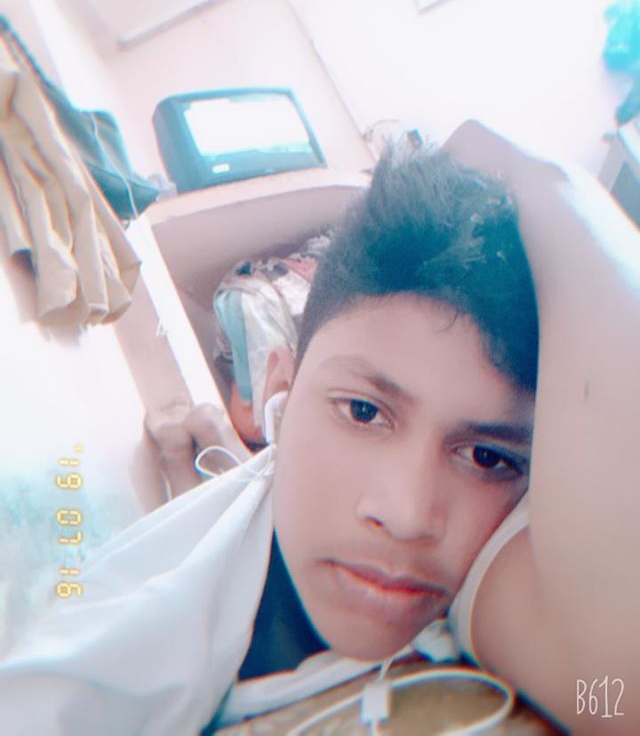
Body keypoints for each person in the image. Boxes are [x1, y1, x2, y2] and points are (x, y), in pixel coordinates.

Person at [0, 120, 637, 734]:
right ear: (279, 387)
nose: (407, 515)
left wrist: (550, 183)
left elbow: (616, 699)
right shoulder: (108, 661)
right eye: (364, 412)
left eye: (486, 457)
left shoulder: (497, 550)